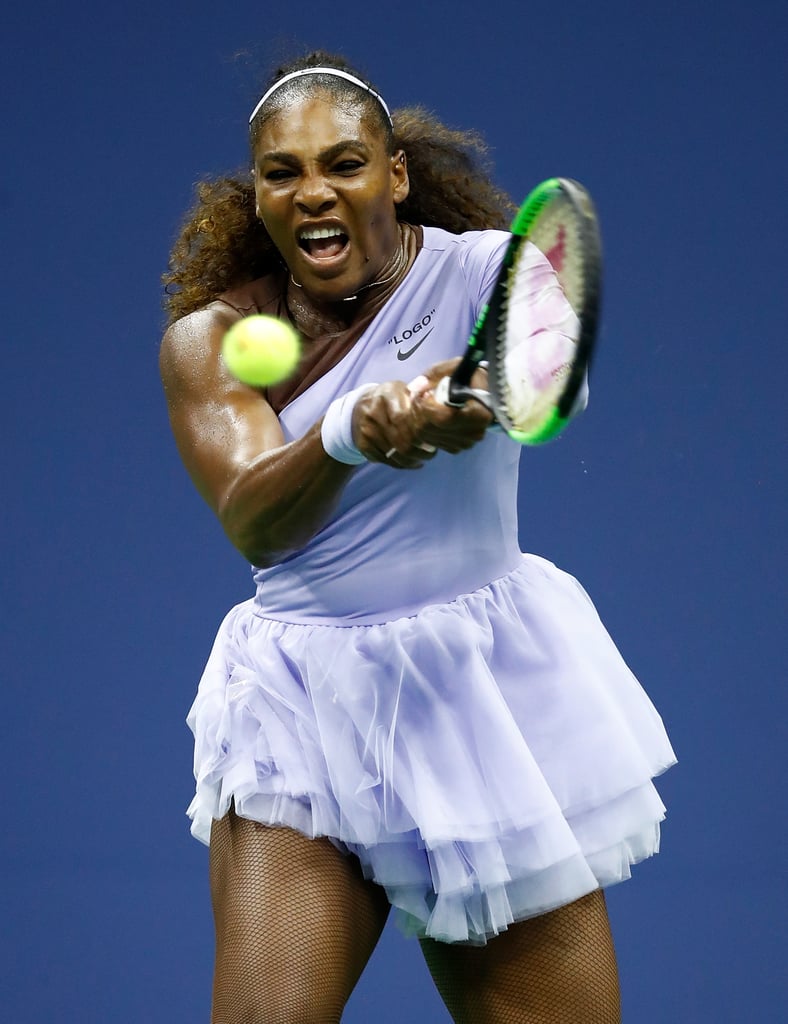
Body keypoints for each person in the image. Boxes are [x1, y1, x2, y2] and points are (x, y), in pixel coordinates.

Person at [160, 50, 676, 1024]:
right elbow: (250, 520)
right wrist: (352, 425)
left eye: (344, 163)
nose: (315, 189)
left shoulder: (490, 275)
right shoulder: (212, 338)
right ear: (259, 196)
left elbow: (535, 380)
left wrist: (459, 402)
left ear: (393, 174)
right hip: (296, 707)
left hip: (472, 697)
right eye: (284, 171)